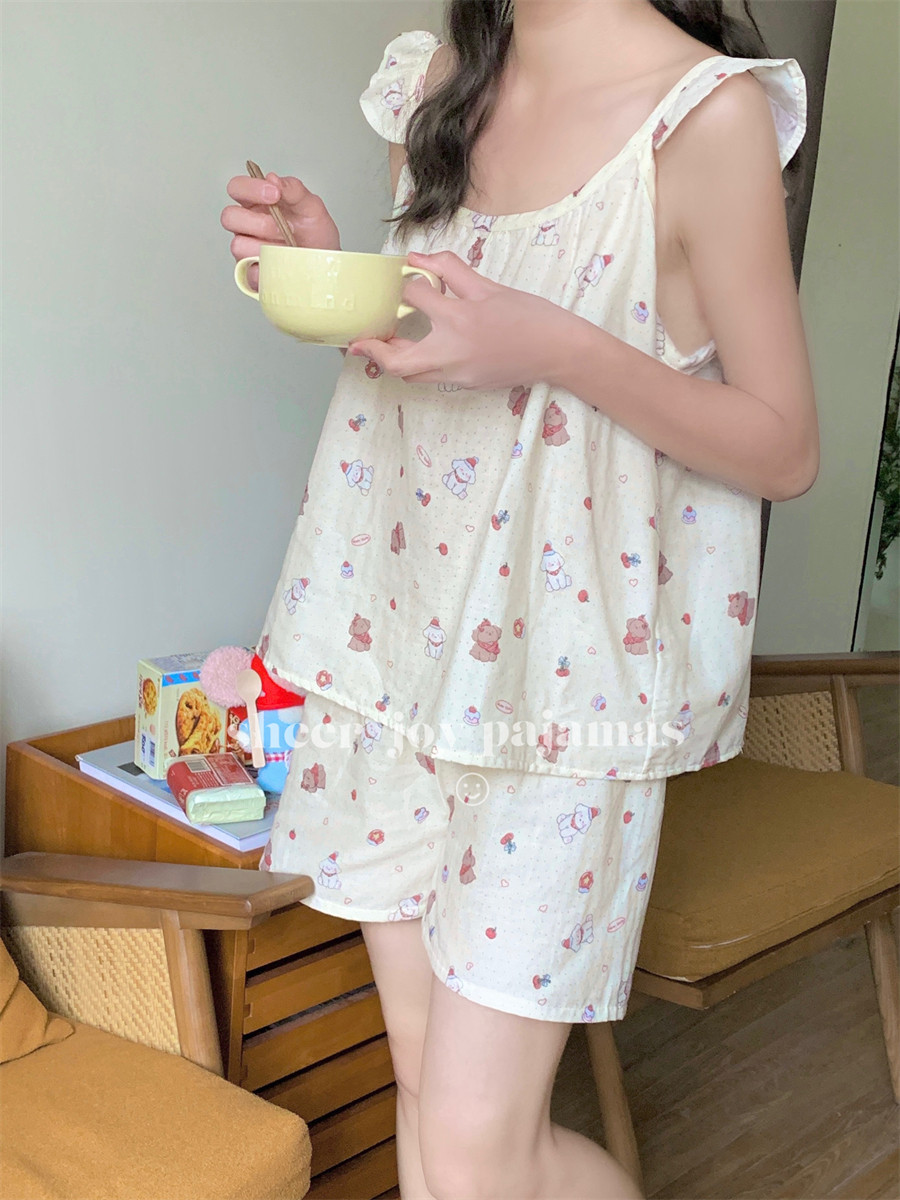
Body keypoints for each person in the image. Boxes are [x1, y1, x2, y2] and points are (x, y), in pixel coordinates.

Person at [221, 2, 817, 1196]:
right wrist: (339, 275)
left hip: (559, 696)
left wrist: (560, 344)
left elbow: (783, 448)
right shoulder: (438, 82)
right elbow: (442, 349)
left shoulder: (705, 119)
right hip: (387, 648)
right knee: (426, 1099)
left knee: (478, 1148)